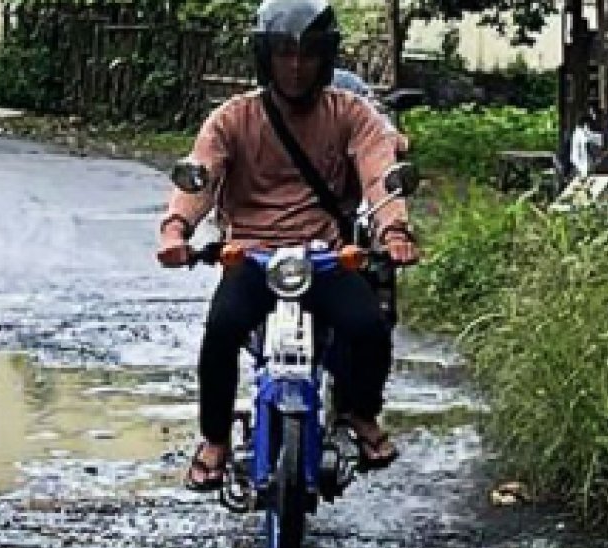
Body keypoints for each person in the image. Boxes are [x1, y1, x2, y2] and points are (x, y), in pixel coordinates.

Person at [156, 0, 420, 492]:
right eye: (283, 54)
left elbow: (380, 174)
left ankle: (361, 415)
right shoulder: (233, 118)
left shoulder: (352, 114)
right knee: (220, 333)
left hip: (324, 255)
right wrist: (176, 230)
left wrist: (395, 232)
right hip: (252, 256)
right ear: (265, 57)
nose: (296, 66)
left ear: (327, 58)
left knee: (369, 327)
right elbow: (201, 174)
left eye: (308, 54)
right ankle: (214, 439)